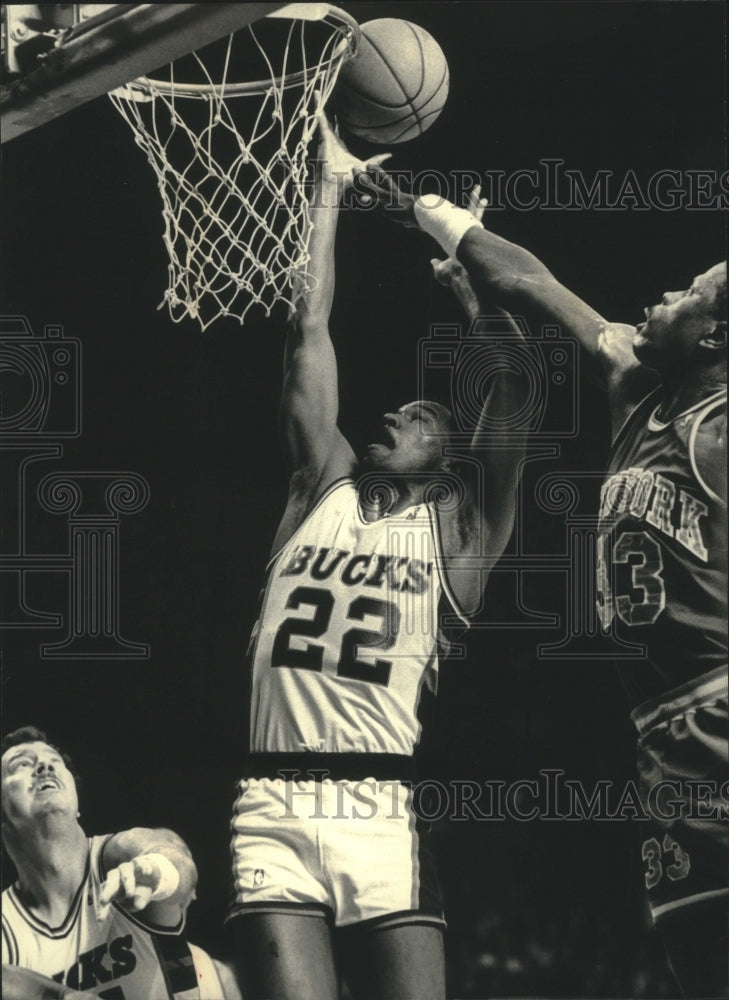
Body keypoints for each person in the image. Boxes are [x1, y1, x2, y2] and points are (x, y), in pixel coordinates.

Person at [365, 168, 728, 998]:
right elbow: (527, 280)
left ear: (711, 340)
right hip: (664, 743)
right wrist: (428, 212)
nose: (663, 293)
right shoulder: (636, 387)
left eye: (690, 293)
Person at [225, 113, 531, 1000]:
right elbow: (305, 327)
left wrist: (479, 295)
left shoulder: (459, 536)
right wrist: (324, 187)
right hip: (271, 805)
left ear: (444, 453)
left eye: (421, 414)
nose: (395, 413)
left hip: (381, 811)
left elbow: (511, 401)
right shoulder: (319, 484)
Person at [1, 725, 240, 1000]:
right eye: (21, 764)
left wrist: (157, 873)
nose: (44, 765)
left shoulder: (116, 856)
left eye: (54, 761)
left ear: (77, 803)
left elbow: (175, 860)